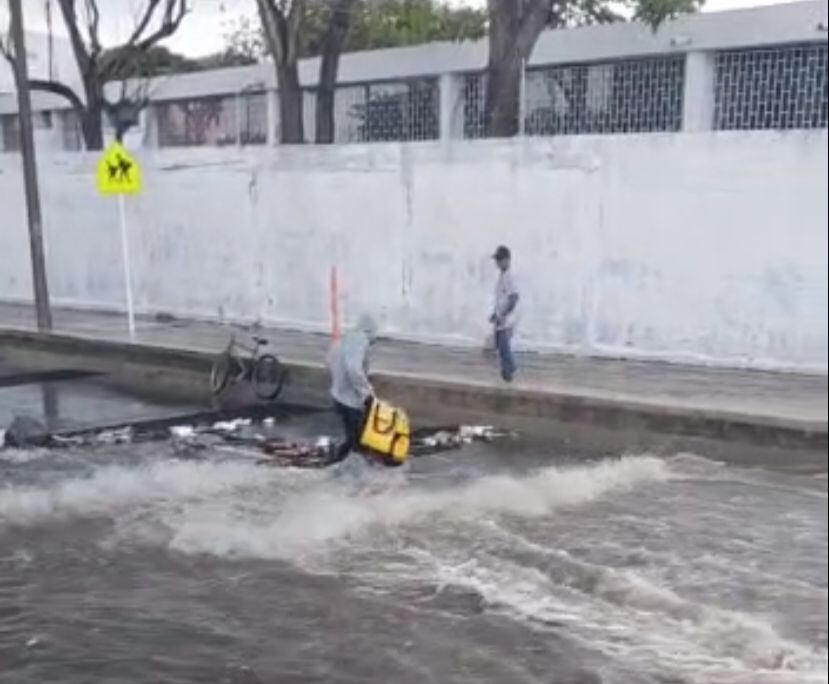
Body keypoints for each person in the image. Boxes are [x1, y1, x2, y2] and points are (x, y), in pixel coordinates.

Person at [326, 313, 378, 464]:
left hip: (338, 395)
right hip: (351, 400)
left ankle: (337, 460)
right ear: (370, 331)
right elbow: (353, 368)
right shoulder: (360, 340)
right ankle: (351, 468)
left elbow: (328, 360)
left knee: (352, 436)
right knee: (358, 438)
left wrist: (339, 380)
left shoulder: (346, 337)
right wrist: (365, 390)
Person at [490, 245, 520, 382]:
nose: (497, 263)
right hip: (501, 318)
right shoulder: (502, 276)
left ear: (507, 260)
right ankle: (507, 369)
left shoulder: (509, 276)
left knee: (503, 343)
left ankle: (509, 368)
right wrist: (495, 314)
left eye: (500, 259)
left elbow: (513, 298)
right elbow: (501, 298)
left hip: (506, 319)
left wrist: (502, 315)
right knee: (499, 343)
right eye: (497, 260)